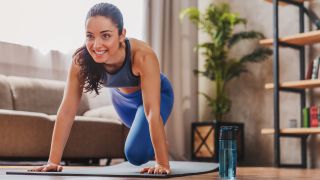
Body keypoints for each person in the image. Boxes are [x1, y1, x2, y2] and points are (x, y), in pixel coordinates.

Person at [30, 2, 174, 174]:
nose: (96, 45)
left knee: (135, 155)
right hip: (122, 103)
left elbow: (151, 112)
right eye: (90, 36)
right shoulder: (81, 60)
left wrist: (162, 163)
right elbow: (67, 111)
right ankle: (151, 140)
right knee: (139, 147)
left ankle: (157, 145)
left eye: (106, 36)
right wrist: (53, 161)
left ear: (122, 34)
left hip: (157, 96)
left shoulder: (142, 55)